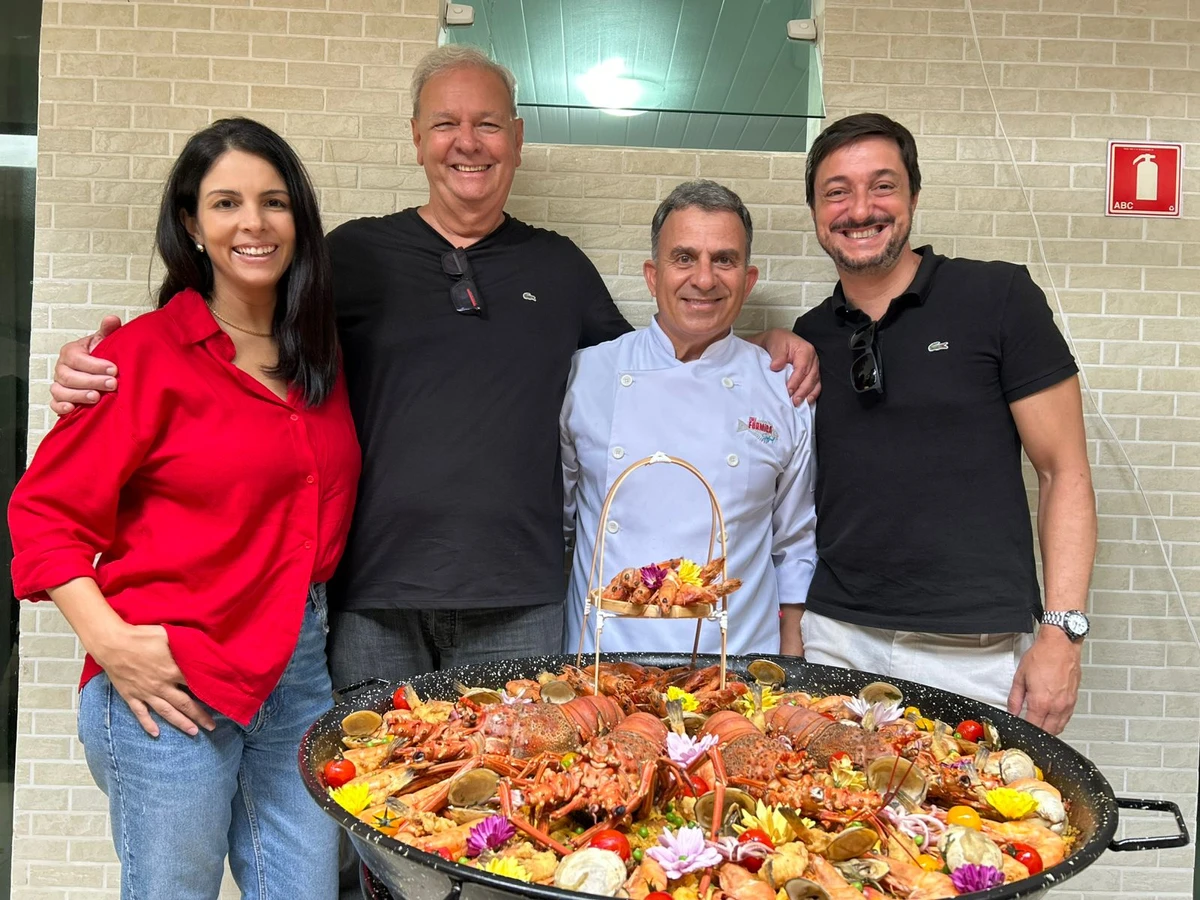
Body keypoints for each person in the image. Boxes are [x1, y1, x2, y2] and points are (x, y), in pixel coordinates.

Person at [45, 46, 820, 691]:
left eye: (487, 123)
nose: (467, 141)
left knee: (507, 824)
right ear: (416, 138)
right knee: (366, 814)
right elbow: (228, 325)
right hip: (370, 597)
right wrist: (98, 362)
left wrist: (763, 347)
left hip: (519, 602)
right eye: (446, 123)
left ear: (516, 138)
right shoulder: (346, 257)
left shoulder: (559, 268)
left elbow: (663, 363)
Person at [9, 118, 359, 899]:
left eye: (273, 202)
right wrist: (114, 646)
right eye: (226, 202)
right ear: (192, 226)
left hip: (296, 674)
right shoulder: (142, 355)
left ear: (298, 221)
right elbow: (43, 518)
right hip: (173, 679)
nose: (253, 223)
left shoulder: (321, 362)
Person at [792, 113, 1096, 735]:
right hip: (837, 637)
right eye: (837, 191)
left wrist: (1063, 632)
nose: (860, 209)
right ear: (817, 212)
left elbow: (1063, 469)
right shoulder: (810, 335)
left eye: (882, 185)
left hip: (974, 651)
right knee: (827, 826)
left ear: (913, 196)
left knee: (975, 828)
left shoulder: (998, 297)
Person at [562, 181, 817, 658]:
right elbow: (560, 520)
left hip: (735, 661)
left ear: (749, 278)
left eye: (724, 259)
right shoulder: (589, 373)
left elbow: (796, 537)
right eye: (684, 258)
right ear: (651, 275)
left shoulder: (784, 387)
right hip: (603, 659)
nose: (704, 279)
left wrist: (791, 653)